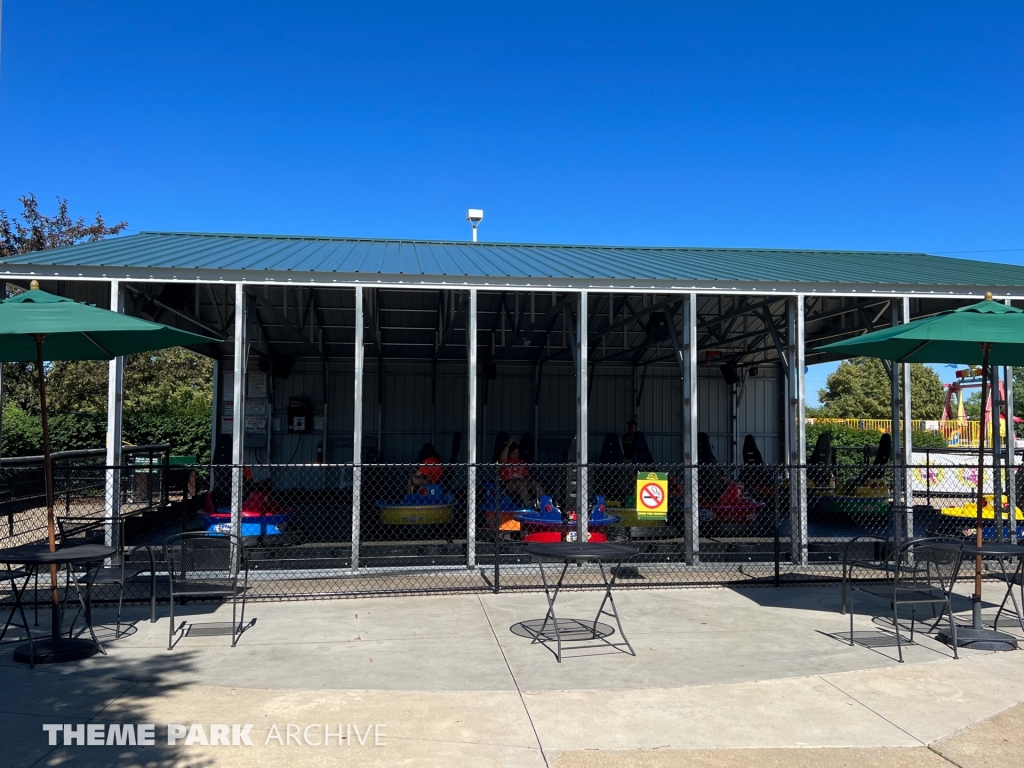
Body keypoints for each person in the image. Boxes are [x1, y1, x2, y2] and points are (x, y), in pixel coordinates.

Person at [499, 437, 546, 507]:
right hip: (509, 483)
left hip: (523, 481)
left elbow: (527, 475)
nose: (516, 455)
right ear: (509, 454)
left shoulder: (521, 461)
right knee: (521, 484)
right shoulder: (506, 462)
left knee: (536, 484)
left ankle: (543, 503)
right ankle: (527, 504)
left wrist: (524, 479)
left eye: (517, 452)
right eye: (513, 453)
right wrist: (507, 446)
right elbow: (502, 459)